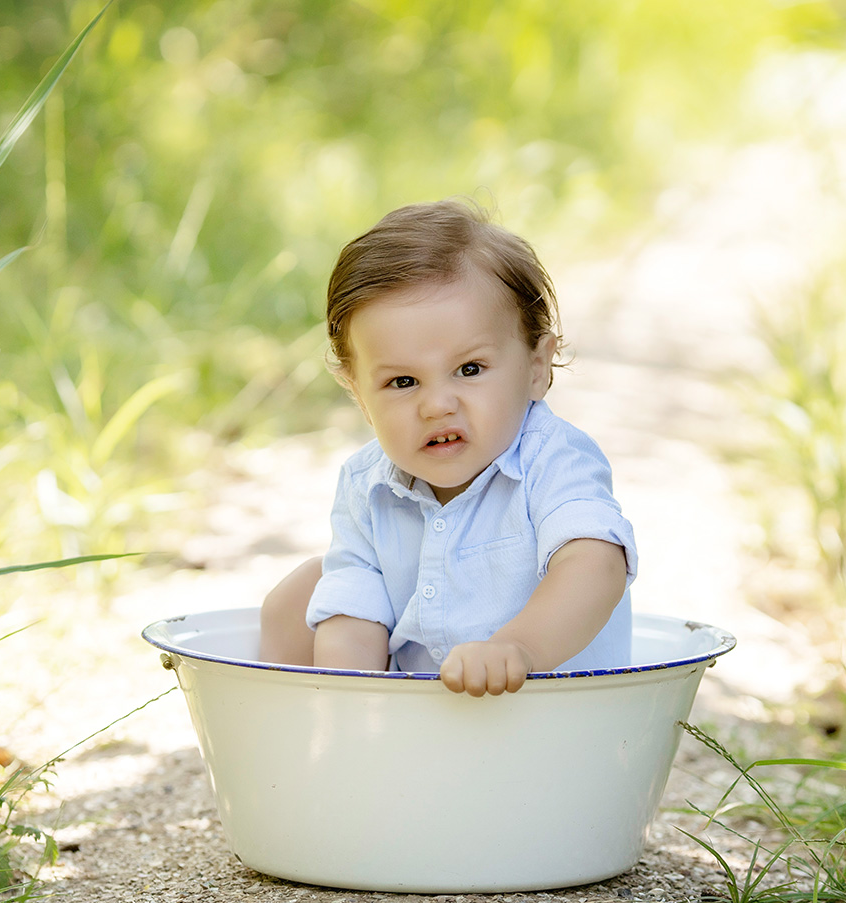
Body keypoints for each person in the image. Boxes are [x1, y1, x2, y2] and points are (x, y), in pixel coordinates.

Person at [259, 200, 636, 696]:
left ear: (536, 366)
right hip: (424, 720)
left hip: (547, 716)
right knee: (306, 592)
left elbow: (596, 563)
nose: (437, 405)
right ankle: (310, 734)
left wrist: (518, 648)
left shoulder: (553, 459)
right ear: (358, 393)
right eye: (402, 381)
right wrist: (352, 699)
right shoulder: (365, 484)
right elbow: (355, 616)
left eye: (470, 369)